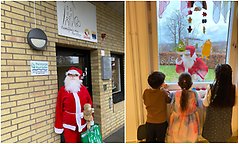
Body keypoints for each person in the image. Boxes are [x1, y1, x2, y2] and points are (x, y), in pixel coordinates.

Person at [54, 67, 94, 143]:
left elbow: (89, 104)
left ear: (78, 77)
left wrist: (90, 118)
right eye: (70, 74)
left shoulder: (83, 89)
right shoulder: (62, 90)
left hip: (83, 123)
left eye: (75, 75)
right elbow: (59, 109)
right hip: (69, 124)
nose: (72, 77)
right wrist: (58, 126)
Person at [202, 64, 235, 142]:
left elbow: (205, 103)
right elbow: (234, 103)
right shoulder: (233, 89)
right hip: (225, 127)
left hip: (212, 126)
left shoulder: (211, 88)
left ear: (217, 75)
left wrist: (204, 96)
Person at [167, 72, 200, 142]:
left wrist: (170, 128)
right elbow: (197, 110)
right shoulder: (194, 94)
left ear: (178, 84)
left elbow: (172, 113)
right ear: (191, 84)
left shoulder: (175, 94)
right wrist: (199, 127)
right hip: (191, 125)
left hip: (177, 126)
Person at [143, 71, 171, 142]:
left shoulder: (146, 92)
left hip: (149, 122)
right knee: (160, 140)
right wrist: (165, 90)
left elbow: (145, 100)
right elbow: (169, 100)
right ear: (161, 84)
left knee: (149, 140)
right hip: (161, 123)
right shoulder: (163, 93)